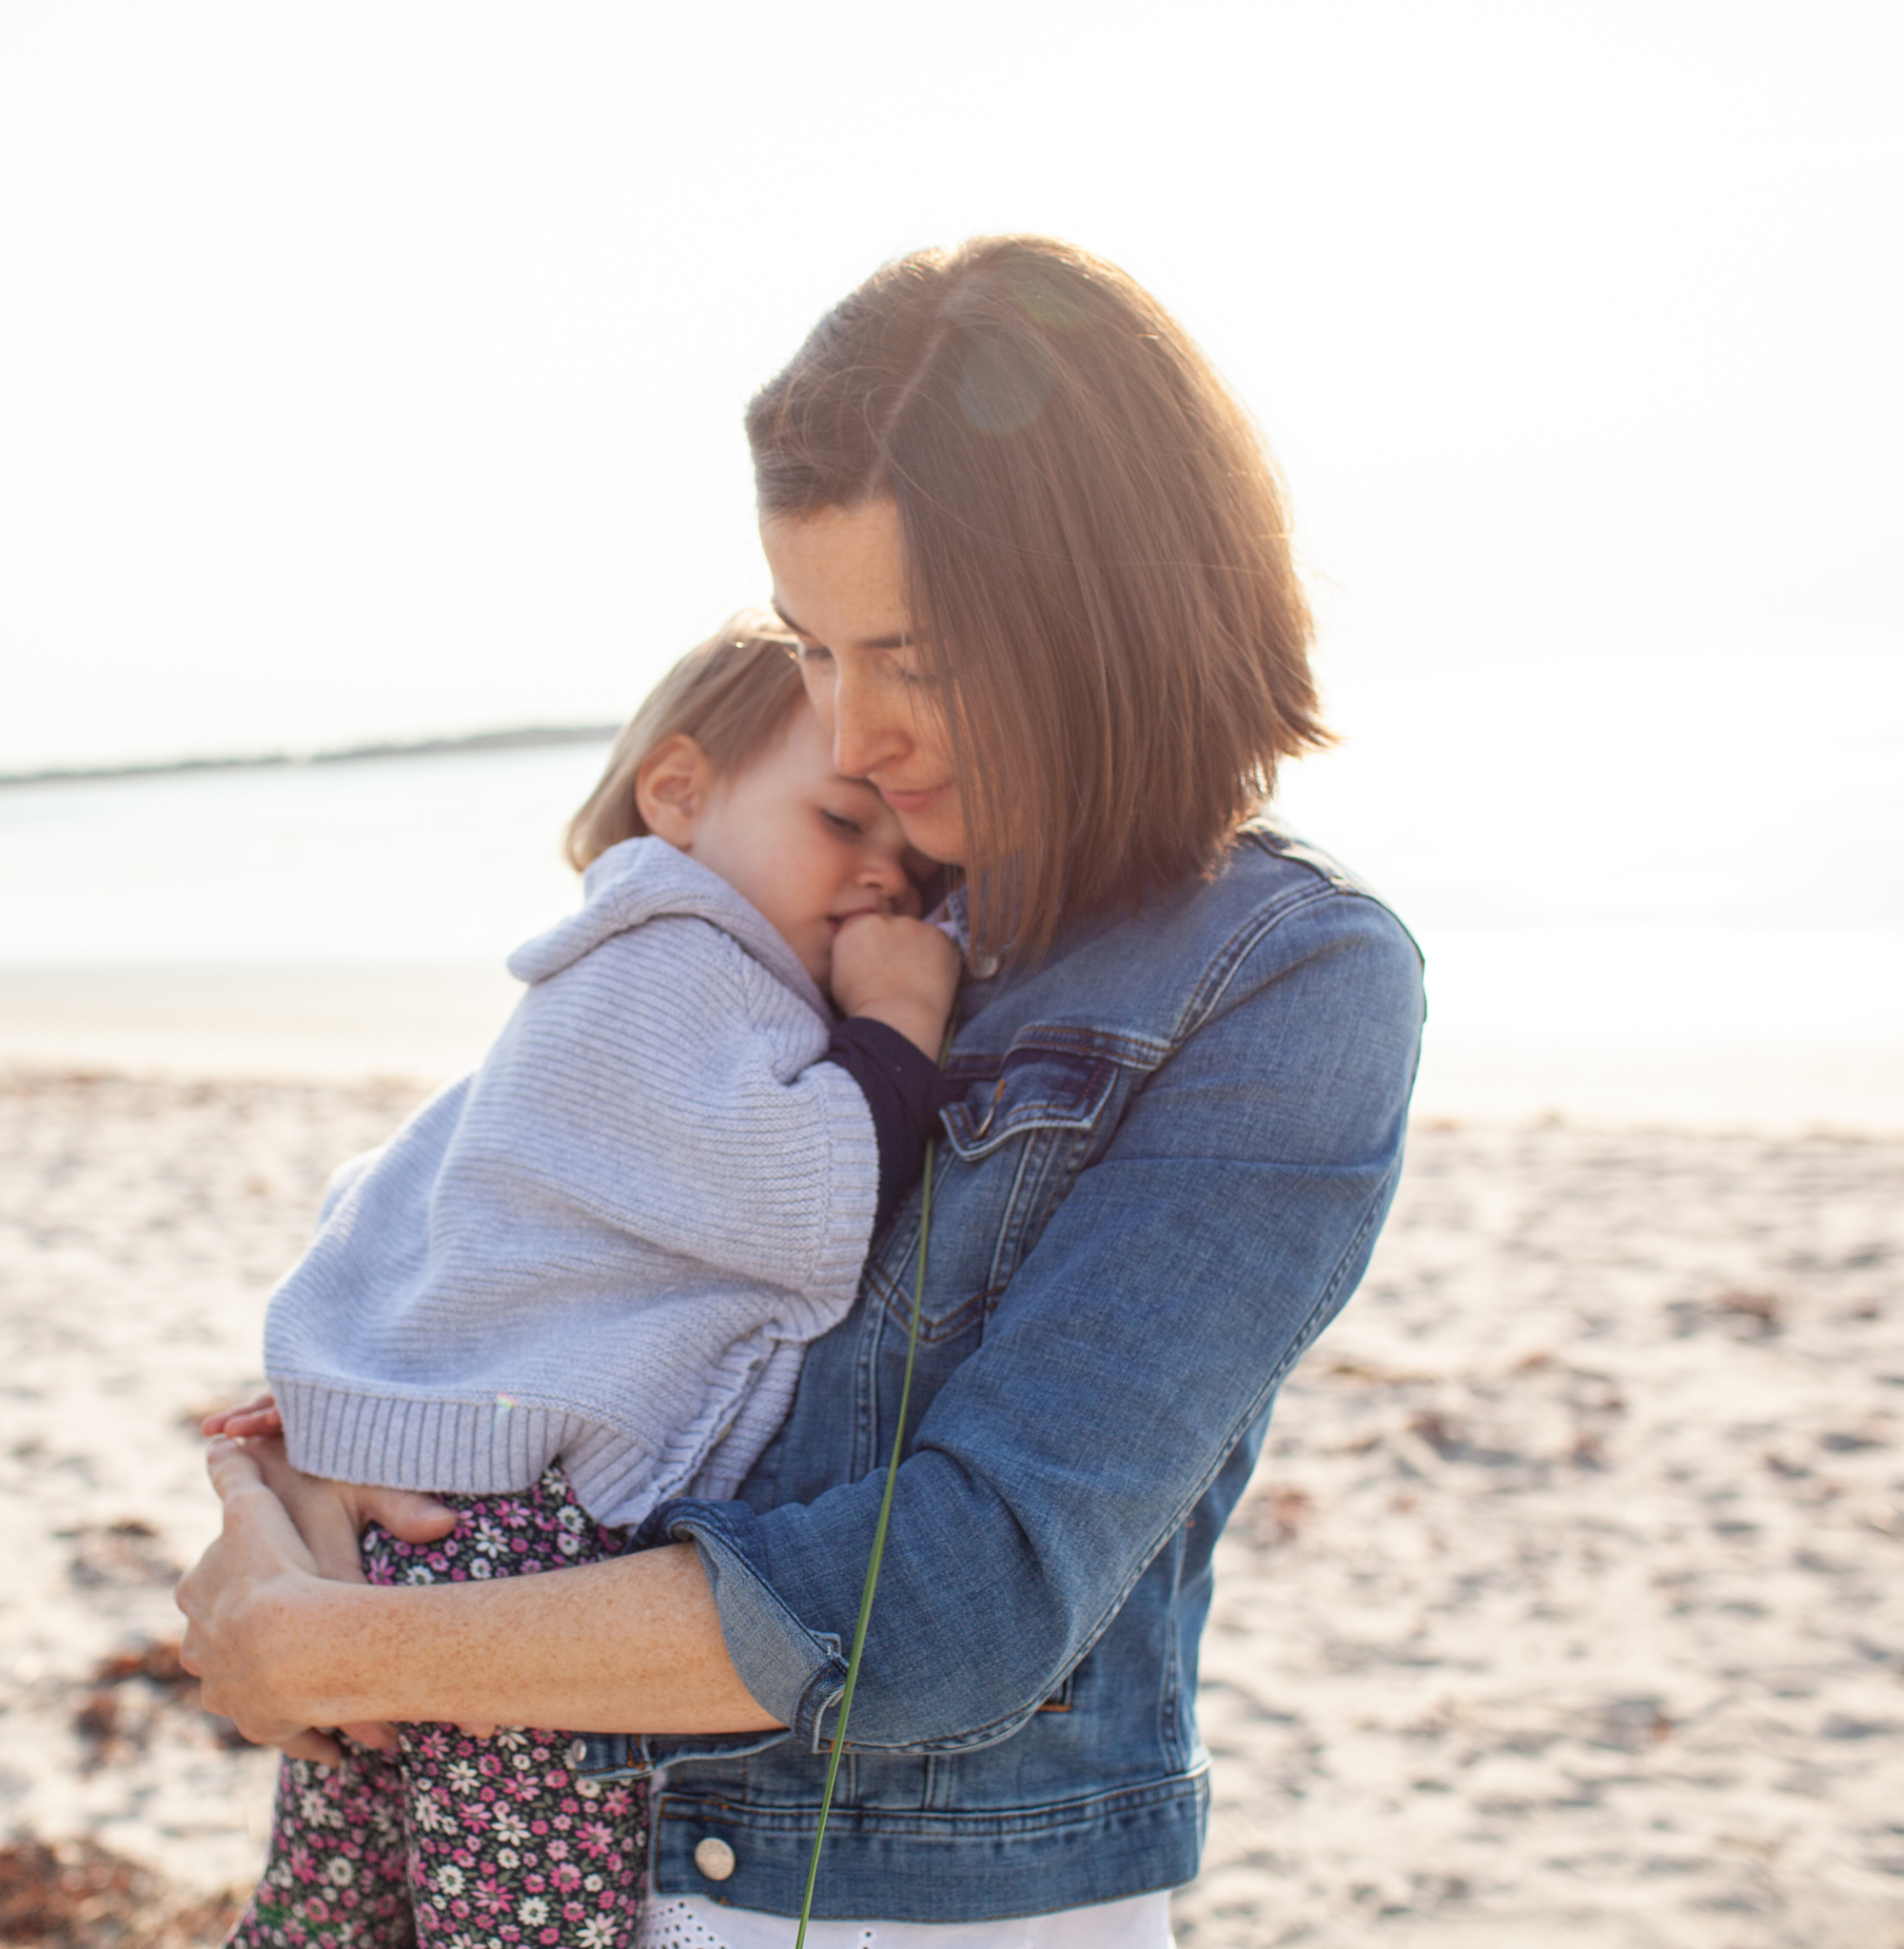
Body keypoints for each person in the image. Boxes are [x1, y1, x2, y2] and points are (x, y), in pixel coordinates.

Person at [178, 235, 1426, 1949]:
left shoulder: (1284, 979)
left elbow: (972, 1591)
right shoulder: (793, 912)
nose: (849, 737)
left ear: (1107, 610)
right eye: (816, 652)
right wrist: (284, 1497)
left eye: (910, 656)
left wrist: (345, 1646)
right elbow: (492, 1252)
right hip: (574, 1865)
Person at [202, 620, 962, 1948]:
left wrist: (349, 1393)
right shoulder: (682, 962)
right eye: (844, 823)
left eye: (913, 866)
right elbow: (804, 1207)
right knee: (519, 1918)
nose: (882, 882)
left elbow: (398, 1187)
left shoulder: (609, 966)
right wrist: (897, 1029)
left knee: (344, 1896)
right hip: (524, 1551)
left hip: (443, 1528)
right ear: (677, 793)